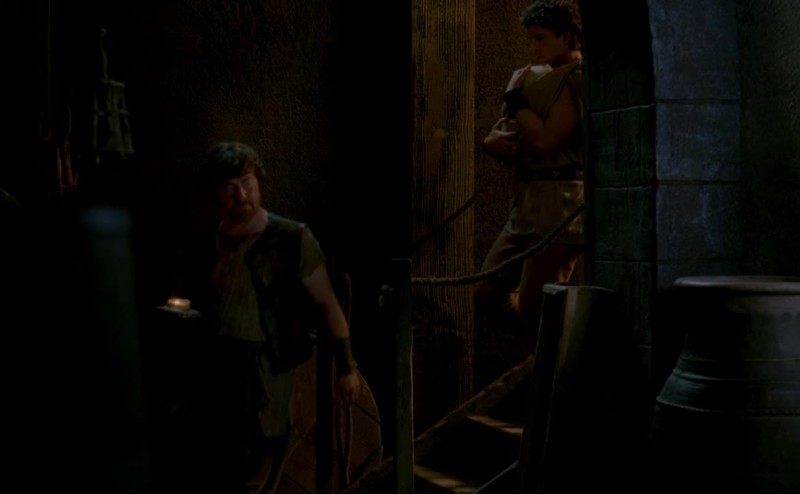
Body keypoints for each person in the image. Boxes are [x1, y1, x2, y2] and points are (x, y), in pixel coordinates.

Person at [159, 141, 360, 494]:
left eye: (247, 182)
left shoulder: (291, 239)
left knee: (255, 468)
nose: (241, 195)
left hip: (265, 372)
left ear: (258, 181)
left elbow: (328, 303)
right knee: (212, 466)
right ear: (215, 192)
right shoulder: (203, 247)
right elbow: (182, 308)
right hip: (215, 372)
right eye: (229, 186)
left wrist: (346, 367)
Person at [474, 0, 585, 348]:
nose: (534, 47)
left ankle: (552, 361)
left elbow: (545, 140)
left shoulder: (577, 78)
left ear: (567, 36)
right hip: (526, 204)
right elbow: (504, 132)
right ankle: (545, 351)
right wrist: (491, 142)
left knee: (538, 314)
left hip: (560, 206)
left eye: (541, 38)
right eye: (531, 39)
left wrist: (515, 99)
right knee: (486, 293)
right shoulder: (532, 76)